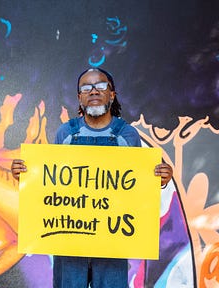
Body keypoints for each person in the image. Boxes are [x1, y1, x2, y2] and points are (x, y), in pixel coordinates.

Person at [11, 67, 173, 288]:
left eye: (101, 86)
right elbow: (52, 185)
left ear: (112, 94)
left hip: (112, 240)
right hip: (70, 239)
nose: (94, 91)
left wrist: (160, 180)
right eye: (86, 87)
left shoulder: (127, 135)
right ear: (79, 97)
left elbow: (138, 191)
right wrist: (26, 176)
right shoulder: (65, 134)